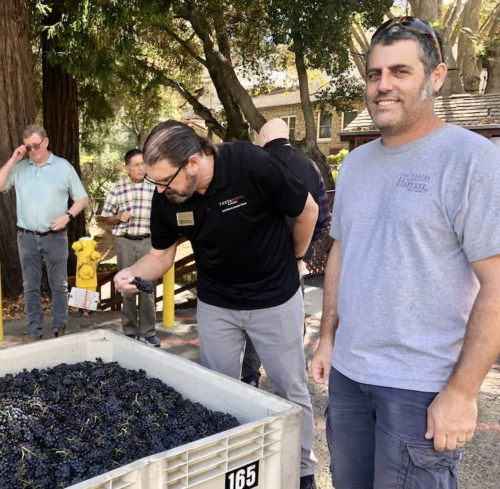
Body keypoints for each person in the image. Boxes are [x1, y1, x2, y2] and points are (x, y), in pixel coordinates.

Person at [310, 17, 500, 488]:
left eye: (400, 72)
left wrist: (461, 392)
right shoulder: (354, 164)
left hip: (420, 386)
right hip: (350, 378)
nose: (383, 86)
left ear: (434, 78)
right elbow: (341, 254)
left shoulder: (470, 159)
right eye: (374, 74)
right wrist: (329, 338)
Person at [114, 120, 320, 489]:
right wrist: (132, 272)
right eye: (154, 182)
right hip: (217, 304)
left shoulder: (249, 164)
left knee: (290, 389)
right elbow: (161, 256)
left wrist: (296, 257)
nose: (160, 191)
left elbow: (307, 209)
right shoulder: (167, 200)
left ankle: (302, 470)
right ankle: (229, 467)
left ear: (193, 162)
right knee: (216, 391)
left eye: (165, 180)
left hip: (274, 298)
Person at [241, 118, 331, 386]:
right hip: (295, 259)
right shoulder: (311, 167)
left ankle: (250, 374)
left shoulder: (252, 165)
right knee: (292, 315)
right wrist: (302, 250)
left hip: (256, 259)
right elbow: (323, 217)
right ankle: (293, 371)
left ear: (265, 136)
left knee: (253, 318)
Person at [0, 124, 88, 340]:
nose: (33, 151)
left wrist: (67, 216)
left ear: (46, 142)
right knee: (30, 286)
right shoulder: (20, 168)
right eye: (28, 147)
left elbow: (81, 198)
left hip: (55, 237)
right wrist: (13, 160)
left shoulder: (63, 167)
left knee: (59, 285)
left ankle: (60, 327)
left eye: (36, 146)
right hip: (26, 236)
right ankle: (35, 331)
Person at [99, 149, 160, 346]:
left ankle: (148, 332)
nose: (141, 168)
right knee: (128, 288)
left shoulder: (156, 187)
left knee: (147, 289)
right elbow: (105, 218)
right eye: (136, 164)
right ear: (127, 168)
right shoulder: (117, 189)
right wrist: (118, 218)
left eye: (144, 164)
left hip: (148, 242)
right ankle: (130, 331)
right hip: (125, 242)